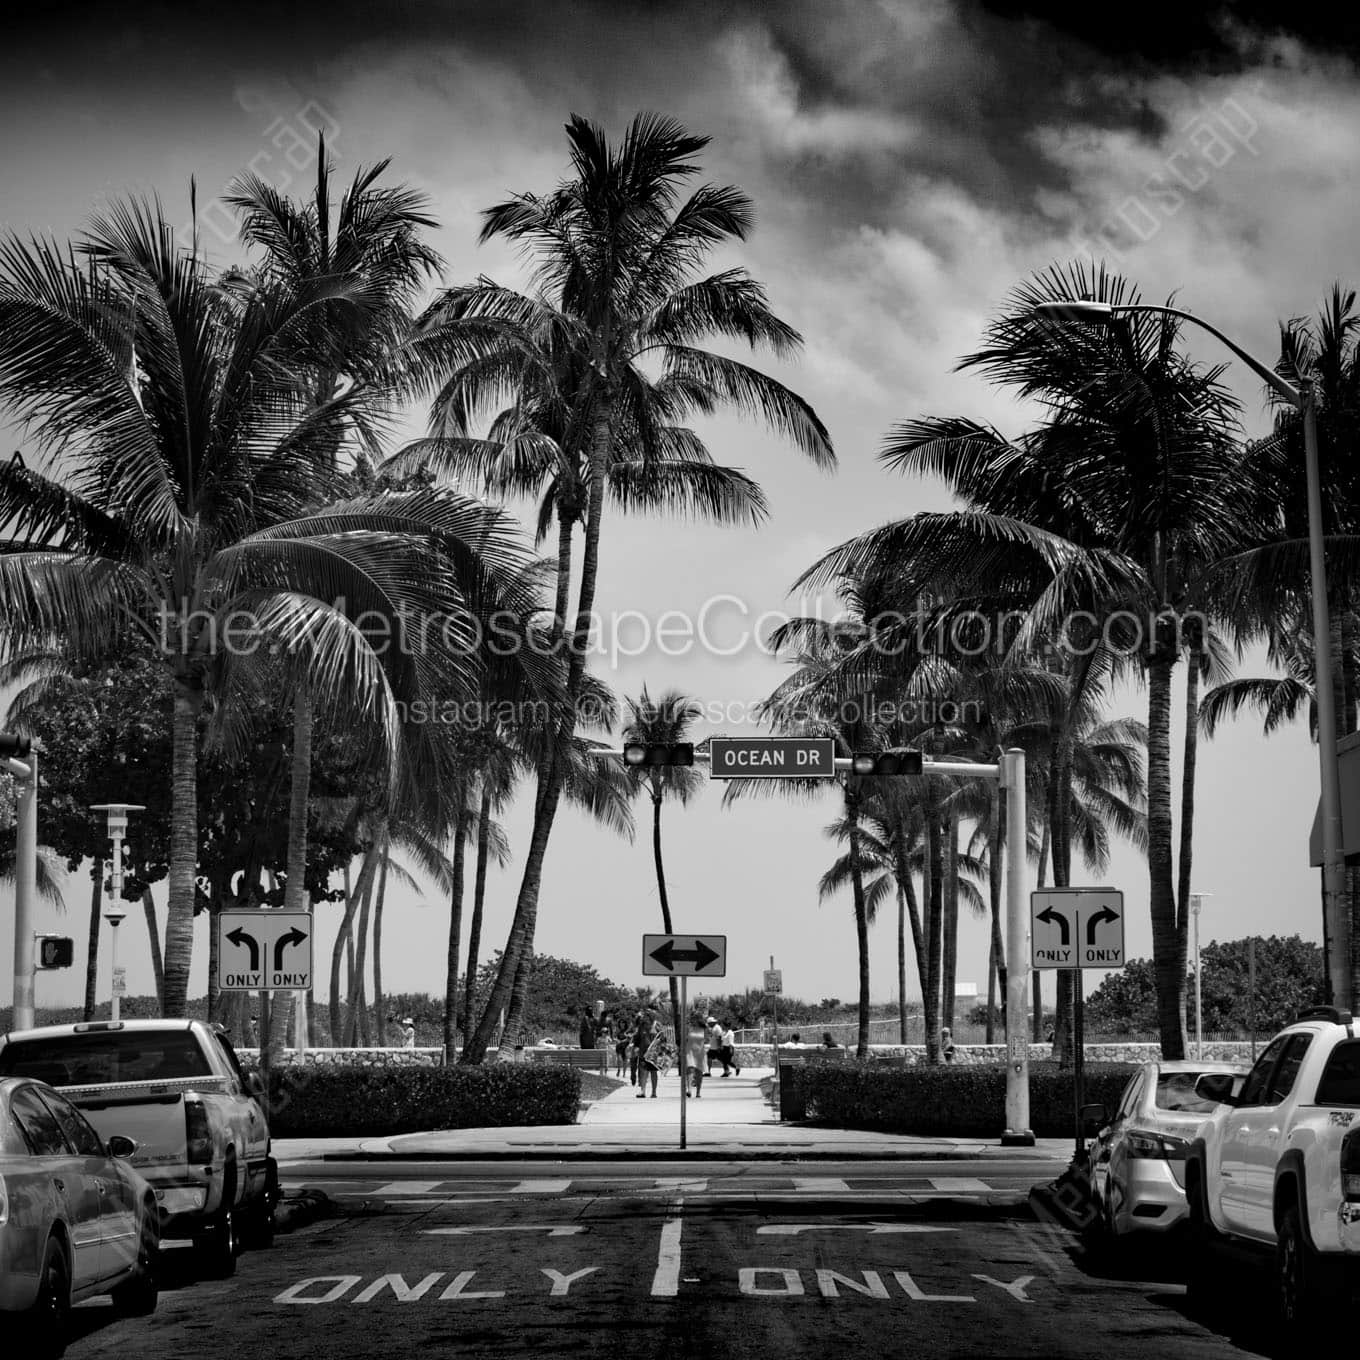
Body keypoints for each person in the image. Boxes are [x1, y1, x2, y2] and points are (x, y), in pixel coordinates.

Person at [636, 1007, 662, 1098]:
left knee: (653, 1072)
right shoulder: (641, 1026)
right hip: (643, 1051)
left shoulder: (656, 1025)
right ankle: (642, 1091)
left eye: (648, 1015)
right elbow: (637, 1037)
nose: (645, 1016)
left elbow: (662, 1037)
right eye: (645, 1015)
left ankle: (654, 1092)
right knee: (643, 1071)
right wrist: (635, 1047)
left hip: (653, 1053)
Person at [684, 1030, 707, 1098]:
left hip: (700, 1052)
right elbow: (684, 1040)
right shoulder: (688, 1028)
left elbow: (707, 1039)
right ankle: (689, 1090)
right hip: (690, 1052)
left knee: (699, 1072)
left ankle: (698, 1092)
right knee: (690, 1069)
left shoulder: (704, 1029)